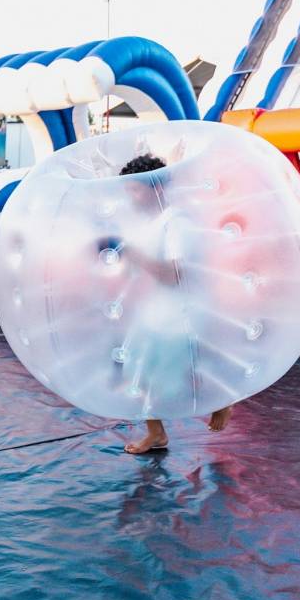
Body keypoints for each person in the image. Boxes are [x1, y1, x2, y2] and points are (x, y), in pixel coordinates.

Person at [117, 153, 234, 454]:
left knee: (176, 374)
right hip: (157, 308)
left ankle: (221, 399)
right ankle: (156, 434)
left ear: (155, 188)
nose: (128, 195)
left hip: (181, 311)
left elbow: (175, 274)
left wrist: (134, 256)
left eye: (134, 188)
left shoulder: (176, 223)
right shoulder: (149, 222)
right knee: (136, 369)